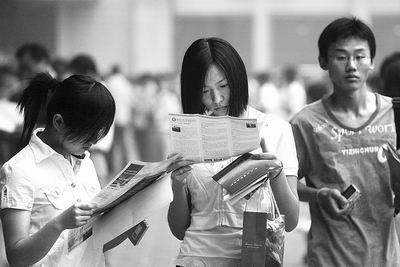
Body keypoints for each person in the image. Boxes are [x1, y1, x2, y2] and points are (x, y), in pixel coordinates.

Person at [167, 37, 299, 266]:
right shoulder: (189, 133)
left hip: (254, 258)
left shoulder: (274, 128)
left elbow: (291, 220)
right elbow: (179, 230)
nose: (216, 99)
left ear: (238, 80)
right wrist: (177, 186)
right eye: (204, 91)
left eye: (223, 86)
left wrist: (274, 173)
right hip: (196, 257)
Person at [290, 17, 400, 266]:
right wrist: (318, 195)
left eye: (360, 56)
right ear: (323, 62)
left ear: (372, 61)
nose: (352, 66)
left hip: (386, 258)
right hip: (329, 258)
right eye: (341, 57)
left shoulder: (395, 113)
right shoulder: (305, 123)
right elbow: (286, 186)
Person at [0, 73, 115, 266]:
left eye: (98, 135)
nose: (94, 143)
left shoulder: (85, 162)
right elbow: (17, 257)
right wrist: (59, 224)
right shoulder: (19, 170)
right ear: (59, 122)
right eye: (88, 136)